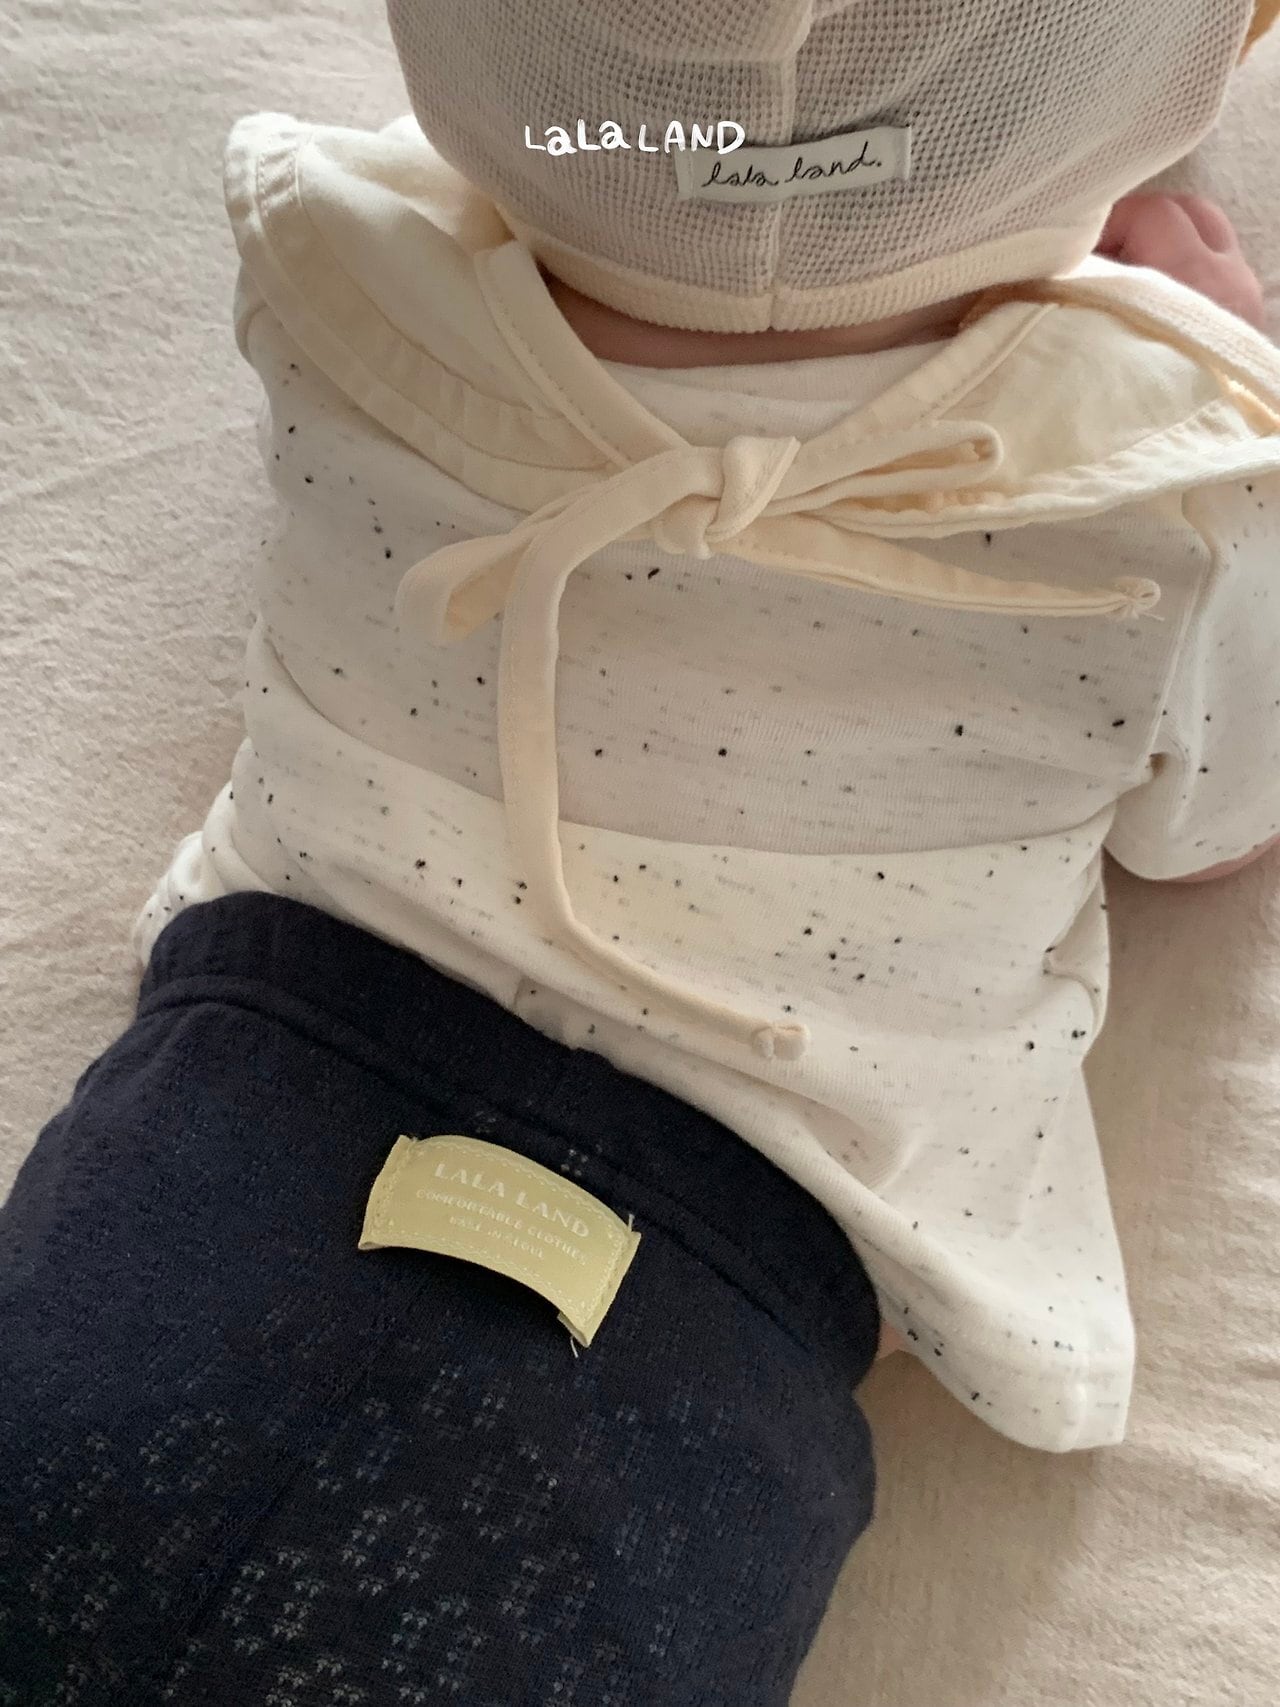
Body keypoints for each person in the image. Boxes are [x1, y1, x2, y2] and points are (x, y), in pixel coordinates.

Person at [3, 3, 1280, 1701]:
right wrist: (1216, 372)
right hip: (728, 1272)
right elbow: (1210, 838)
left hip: (223, 1112)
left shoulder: (330, 269)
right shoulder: (1177, 481)